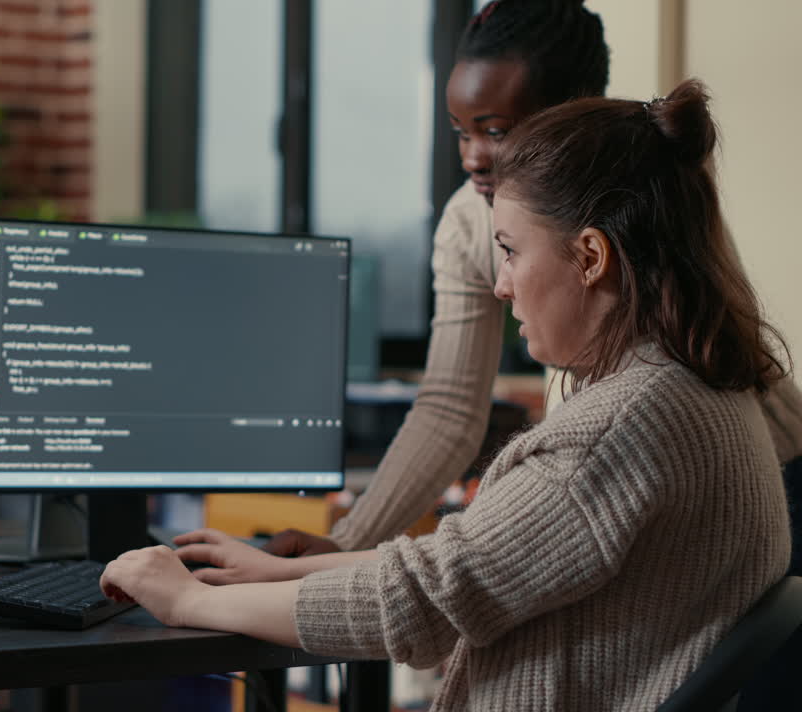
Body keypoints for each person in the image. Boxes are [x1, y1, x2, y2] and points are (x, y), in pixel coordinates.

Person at [101, 79, 792, 712]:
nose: (501, 284)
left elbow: (419, 602)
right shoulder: (698, 392)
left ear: (590, 257)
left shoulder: (619, 431)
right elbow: (460, 567)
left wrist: (189, 599)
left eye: (511, 251)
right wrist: (285, 569)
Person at [262, 0, 802, 565]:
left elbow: (659, 375)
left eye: (495, 131)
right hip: (640, 473)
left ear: (575, 115)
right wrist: (350, 539)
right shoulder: (467, 222)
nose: (473, 157)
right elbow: (449, 408)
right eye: (460, 132)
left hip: (752, 473)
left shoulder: (645, 193)